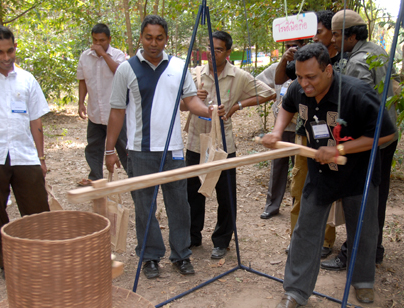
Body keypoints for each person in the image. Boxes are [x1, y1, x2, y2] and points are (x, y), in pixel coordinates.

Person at [263, 43, 395, 308]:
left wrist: (340, 149)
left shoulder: (357, 93)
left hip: (357, 172)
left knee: (364, 229)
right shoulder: (299, 89)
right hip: (320, 173)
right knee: (306, 230)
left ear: (329, 70)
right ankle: (295, 291)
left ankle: (363, 281)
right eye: (299, 76)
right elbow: (286, 106)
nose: (304, 83)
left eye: (311, 76)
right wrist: (276, 132)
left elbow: (387, 135)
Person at [105, 15, 223, 279]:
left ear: (166, 39)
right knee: (145, 205)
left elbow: (191, 102)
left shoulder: (179, 67)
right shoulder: (127, 69)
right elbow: (116, 112)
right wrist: (109, 150)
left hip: (174, 150)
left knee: (179, 204)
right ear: (141, 38)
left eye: (159, 38)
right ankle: (150, 257)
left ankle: (181, 255)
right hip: (140, 150)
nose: (154, 43)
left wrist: (210, 111)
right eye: (149, 37)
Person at [183, 31, 275, 259]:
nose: (213, 54)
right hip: (196, 142)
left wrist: (238, 106)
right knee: (192, 192)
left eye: (219, 49)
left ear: (228, 51)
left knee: (225, 194)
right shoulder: (195, 75)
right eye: (210, 49)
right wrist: (194, 97)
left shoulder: (238, 76)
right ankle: (192, 237)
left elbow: (268, 93)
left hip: (223, 143)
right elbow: (182, 106)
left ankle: (222, 240)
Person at [322, 9, 399, 271]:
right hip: (388, 135)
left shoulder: (357, 63)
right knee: (378, 195)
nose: (333, 41)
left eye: (336, 35)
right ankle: (374, 248)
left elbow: (355, 108)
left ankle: (352, 254)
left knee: (360, 198)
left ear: (352, 36)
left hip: (369, 140)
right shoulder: (379, 51)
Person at [0, 25, 50, 277]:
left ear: (15, 47)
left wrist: (41, 158)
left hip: (24, 154)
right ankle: (6, 263)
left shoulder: (27, 79)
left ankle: (43, 256)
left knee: (37, 210)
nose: (6, 57)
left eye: (10, 50)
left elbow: (36, 121)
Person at [287, 9, 346, 259]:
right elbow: (288, 95)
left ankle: (323, 240)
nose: (314, 37)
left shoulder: (345, 63)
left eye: (319, 32)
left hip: (336, 142)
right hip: (306, 138)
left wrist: (340, 149)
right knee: (301, 189)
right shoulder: (302, 63)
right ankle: (298, 240)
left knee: (330, 195)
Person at [256, 39, 305, 220]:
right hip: (281, 127)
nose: (292, 49)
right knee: (278, 167)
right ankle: (272, 205)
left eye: (297, 45)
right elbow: (257, 84)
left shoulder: (310, 66)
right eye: (288, 46)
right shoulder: (279, 66)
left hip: (302, 128)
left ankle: (297, 206)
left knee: (299, 170)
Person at [76, 23, 127, 186]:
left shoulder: (118, 55)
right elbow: (82, 80)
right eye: (95, 40)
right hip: (95, 111)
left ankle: (134, 176)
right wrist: (81, 102)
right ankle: (96, 177)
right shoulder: (85, 56)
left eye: (102, 41)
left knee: (123, 146)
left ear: (109, 39)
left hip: (116, 113)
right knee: (93, 146)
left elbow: (120, 73)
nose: (98, 44)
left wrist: (104, 55)